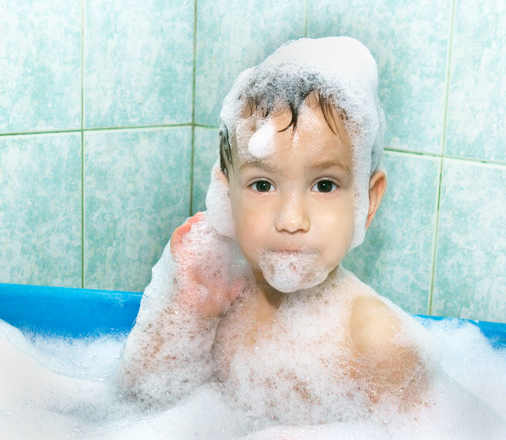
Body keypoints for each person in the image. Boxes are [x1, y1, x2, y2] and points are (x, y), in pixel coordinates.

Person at [118, 37, 504, 438]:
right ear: (225, 192)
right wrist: (190, 309)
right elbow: (139, 401)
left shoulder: (374, 338)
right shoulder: (224, 298)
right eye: (263, 185)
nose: (291, 219)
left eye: (323, 185)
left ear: (367, 200)